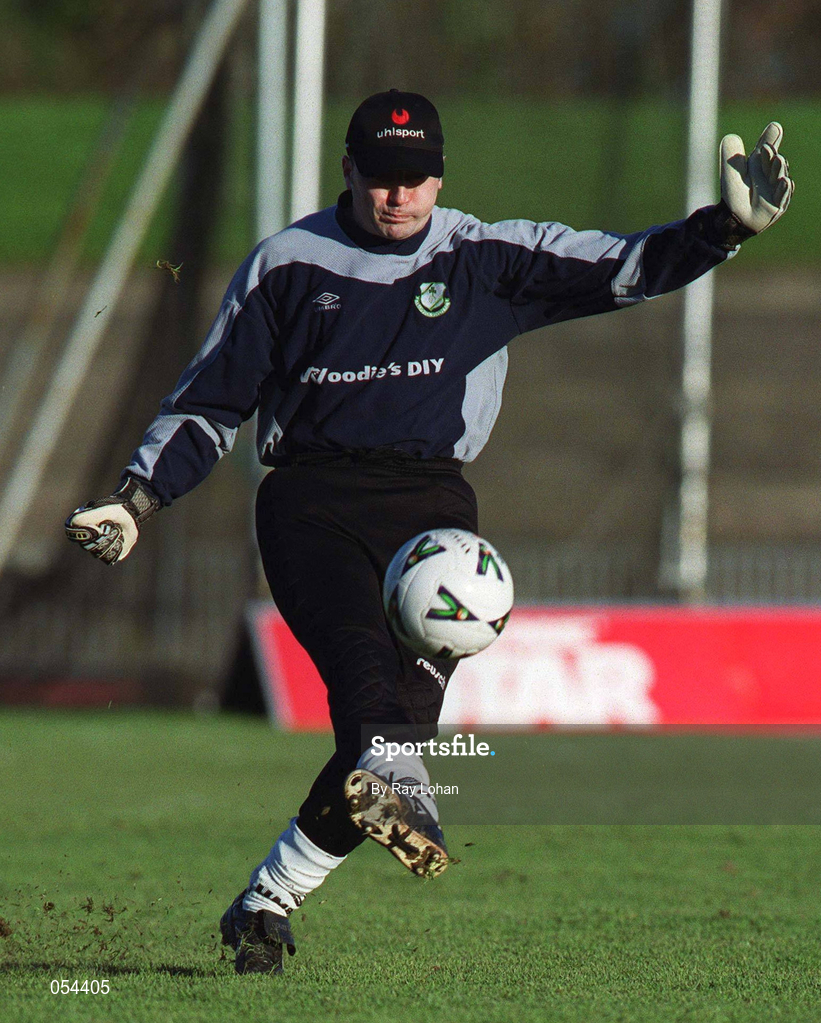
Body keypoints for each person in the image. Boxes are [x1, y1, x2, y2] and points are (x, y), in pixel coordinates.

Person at [65, 90, 793, 975]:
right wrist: (136, 501)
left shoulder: (486, 255)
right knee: (366, 682)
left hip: (434, 514)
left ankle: (267, 900)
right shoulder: (287, 264)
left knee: (392, 734)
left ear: (439, 177)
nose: (396, 196)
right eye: (379, 178)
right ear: (348, 171)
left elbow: (623, 266)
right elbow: (211, 401)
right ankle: (394, 796)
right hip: (312, 504)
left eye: (414, 179)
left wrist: (722, 228)